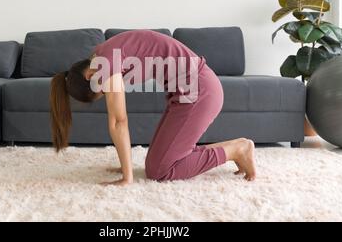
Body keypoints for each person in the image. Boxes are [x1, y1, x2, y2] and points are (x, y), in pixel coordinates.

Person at [50, 30, 256, 186]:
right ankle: (236, 147)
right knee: (155, 164)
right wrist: (125, 168)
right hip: (186, 94)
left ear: (89, 76)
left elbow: (118, 121)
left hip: (199, 92)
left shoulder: (105, 61)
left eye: (101, 90)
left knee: (161, 171)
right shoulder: (102, 54)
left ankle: (236, 150)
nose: (106, 91)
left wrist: (127, 178)